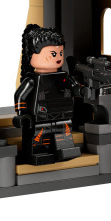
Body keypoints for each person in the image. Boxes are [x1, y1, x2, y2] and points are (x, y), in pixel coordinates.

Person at [13, 24, 82, 165]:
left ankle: (65, 150)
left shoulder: (64, 76)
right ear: (32, 55)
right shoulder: (32, 80)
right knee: (39, 136)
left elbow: (75, 88)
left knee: (64, 134)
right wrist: (21, 114)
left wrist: (82, 90)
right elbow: (20, 95)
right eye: (53, 54)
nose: (58, 57)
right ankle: (39, 153)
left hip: (63, 114)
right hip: (41, 116)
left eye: (60, 53)